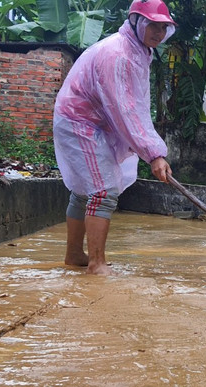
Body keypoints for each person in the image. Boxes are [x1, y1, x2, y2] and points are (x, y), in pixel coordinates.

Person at [53, 0, 177, 275]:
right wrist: (153, 153)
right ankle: (96, 263)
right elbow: (126, 109)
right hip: (79, 121)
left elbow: (136, 106)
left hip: (93, 122)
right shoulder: (118, 54)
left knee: (86, 190)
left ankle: (75, 255)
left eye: (163, 27)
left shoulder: (139, 51)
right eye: (152, 25)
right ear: (136, 22)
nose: (158, 33)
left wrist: (152, 150)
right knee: (102, 189)